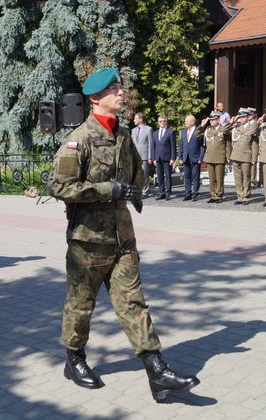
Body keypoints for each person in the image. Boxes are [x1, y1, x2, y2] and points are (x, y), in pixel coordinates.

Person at [50, 68, 198, 402]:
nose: (121, 93)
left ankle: (157, 372)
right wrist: (107, 188)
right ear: (94, 98)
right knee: (80, 306)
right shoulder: (80, 139)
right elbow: (59, 185)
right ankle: (74, 360)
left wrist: (136, 187)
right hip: (87, 242)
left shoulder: (123, 136)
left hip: (122, 239)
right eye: (113, 89)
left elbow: (136, 177)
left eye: (121, 87)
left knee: (133, 303)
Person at [230, 108, 260, 204]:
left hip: (246, 156)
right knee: (237, 177)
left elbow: (254, 145)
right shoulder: (237, 127)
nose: (241, 119)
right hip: (235, 155)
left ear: (248, 117)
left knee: (246, 177)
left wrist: (254, 158)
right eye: (240, 117)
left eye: (243, 117)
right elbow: (225, 129)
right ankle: (239, 196)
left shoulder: (251, 127)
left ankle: (246, 196)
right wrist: (234, 120)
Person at [201, 111, 232, 203]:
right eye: (210, 120)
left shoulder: (223, 129)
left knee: (219, 178)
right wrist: (202, 126)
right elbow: (197, 134)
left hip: (219, 156)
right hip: (209, 156)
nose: (211, 121)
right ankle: (213, 195)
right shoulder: (208, 130)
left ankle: (219, 195)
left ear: (218, 120)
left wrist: (228, 156)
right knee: (212, 178)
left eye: (213, 120)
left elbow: (228, 144)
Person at [178, 115, 204, 201]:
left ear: (192, 122)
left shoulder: (198, 131)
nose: (185, 122)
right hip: (186, 158)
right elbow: (181, 145)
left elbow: (202, 146)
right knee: (187, 177)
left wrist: (201, 157)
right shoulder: (184, 132)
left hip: (195, 157)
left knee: (195, 177)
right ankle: (187, 193)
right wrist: (180, 157)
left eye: (186, 121)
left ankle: (195, 194)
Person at [151, 115, 175, 200]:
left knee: (168, 175)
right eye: (160, 121)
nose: (162, 123)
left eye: (164, 121)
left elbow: (173, 146)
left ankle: (168, 193)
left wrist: (172, 158)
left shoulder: (170, 132)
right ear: (158, 122)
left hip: (167, 157)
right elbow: (153, 147)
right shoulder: (155, 133)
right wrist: (153, 158)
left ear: (166, 122)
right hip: (157, 157)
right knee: (159, 175)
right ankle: (161, 193)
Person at [131, 112, 153, 197]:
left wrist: (150, 157)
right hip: (135, 156)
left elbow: (150, 144)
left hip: (144, 156)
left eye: (135, 118)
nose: (134, 120)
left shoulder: (148, 129)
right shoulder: (133, 130)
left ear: (140, 119)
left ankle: (145, 191)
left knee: (144, 174)